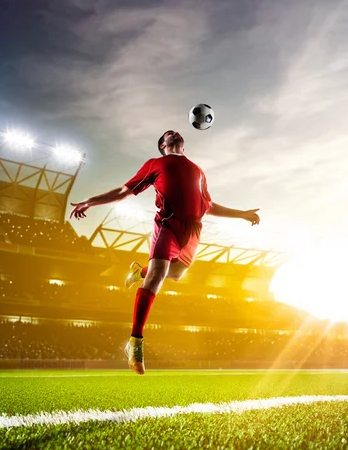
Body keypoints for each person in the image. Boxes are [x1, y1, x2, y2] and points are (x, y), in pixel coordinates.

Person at [70, 130, 260, 375]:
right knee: (160, 273)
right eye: (168, 134)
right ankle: (135, 343)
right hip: (168, 224)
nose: (174, 133)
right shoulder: (155, 164)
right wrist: (90, 201)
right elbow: (123, 192)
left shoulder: (198, 170)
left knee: (177, 273)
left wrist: (242, 214)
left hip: (192, 230)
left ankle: (141, 272)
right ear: (163, 145)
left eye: (176, 133)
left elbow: (208, 205)